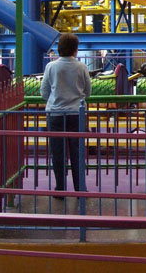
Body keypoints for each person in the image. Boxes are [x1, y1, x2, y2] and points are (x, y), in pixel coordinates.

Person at [40, 33, 92, 195]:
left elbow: (44, 92)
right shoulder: (81, 67)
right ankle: (80, 189)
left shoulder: (51, 67)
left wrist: (55, 100)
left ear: (59, 48)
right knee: (77, 153)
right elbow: (88, 92)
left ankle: (60, 188)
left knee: (58, 153)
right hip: (77, 114)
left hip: (55, 114)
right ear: (75, 50)